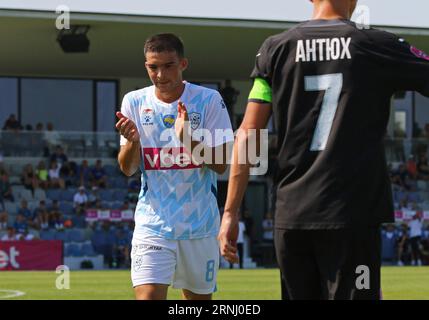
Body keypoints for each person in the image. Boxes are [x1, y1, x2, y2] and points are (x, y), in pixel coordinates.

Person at [219, 0, 429, 300]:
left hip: (292, 215)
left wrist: (230, 213)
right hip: (352, 214)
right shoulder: (376, 44)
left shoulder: (275, 49)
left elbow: (247, 135)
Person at [116, 33, 233, 300]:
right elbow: (127, 168)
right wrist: (133, 142)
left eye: (168, 65)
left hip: (199, 227)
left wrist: (188, 139)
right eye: (152, 67)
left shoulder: (208, 101)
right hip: (153, 225)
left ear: (183, 64)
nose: (160, 74)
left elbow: (220, 165)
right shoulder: (134, 102)